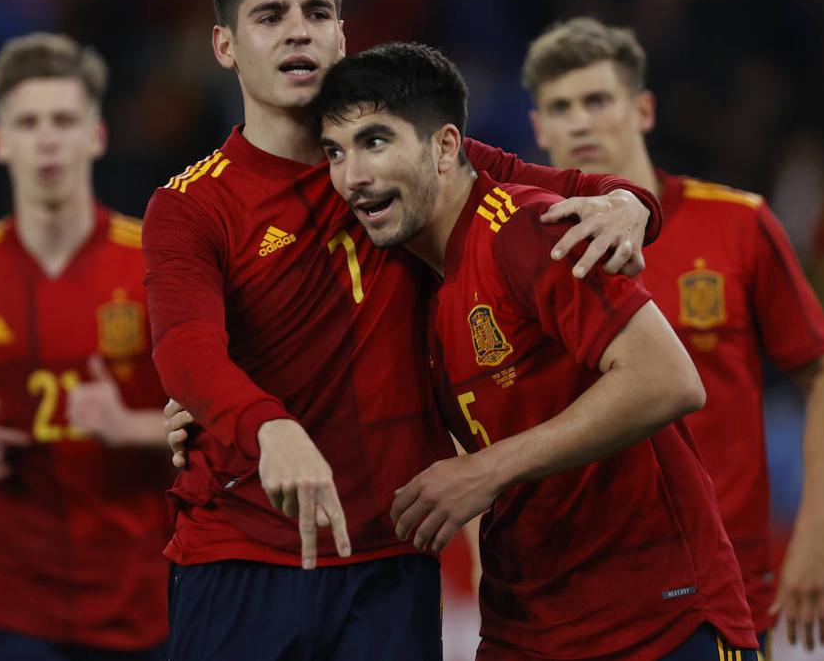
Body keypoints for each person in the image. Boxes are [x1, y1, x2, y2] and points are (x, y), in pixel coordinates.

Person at [142, 0, 662, 660]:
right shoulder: (191, 205)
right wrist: (265, 427)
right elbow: (185, 347)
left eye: (317, 12)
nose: (299, 29)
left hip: (390, 561)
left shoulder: (407, 161)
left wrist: (635, 205)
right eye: (270, 16)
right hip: (241, 552)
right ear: (225, 46)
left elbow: (577, 187)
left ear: (342, 35)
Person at [309, 41, 759, 660]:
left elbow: (669, 379)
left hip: (659, 625)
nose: (352, 176)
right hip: (527, 630)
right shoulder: (411, 282)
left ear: (444, 147)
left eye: (376, 142)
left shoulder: (526, 230)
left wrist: (484, 471)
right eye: (336, 152)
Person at [522, 17, 824, 655]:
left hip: (718, 595)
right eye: (560, 107)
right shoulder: (514, 248)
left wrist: (817, 532)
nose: (580, 122)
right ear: (538, 128)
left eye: (598, 100)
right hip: (570, 597)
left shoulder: (736, 225)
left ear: (643, 109)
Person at [0, 33, 173, 661]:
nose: (47, 138)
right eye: (28, 122)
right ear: (1, 142)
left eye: (63, 120)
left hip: (142, 597)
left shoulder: (156, 263)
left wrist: (129, 426)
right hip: (10, 600)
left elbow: (222, 412)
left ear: (97, 135)